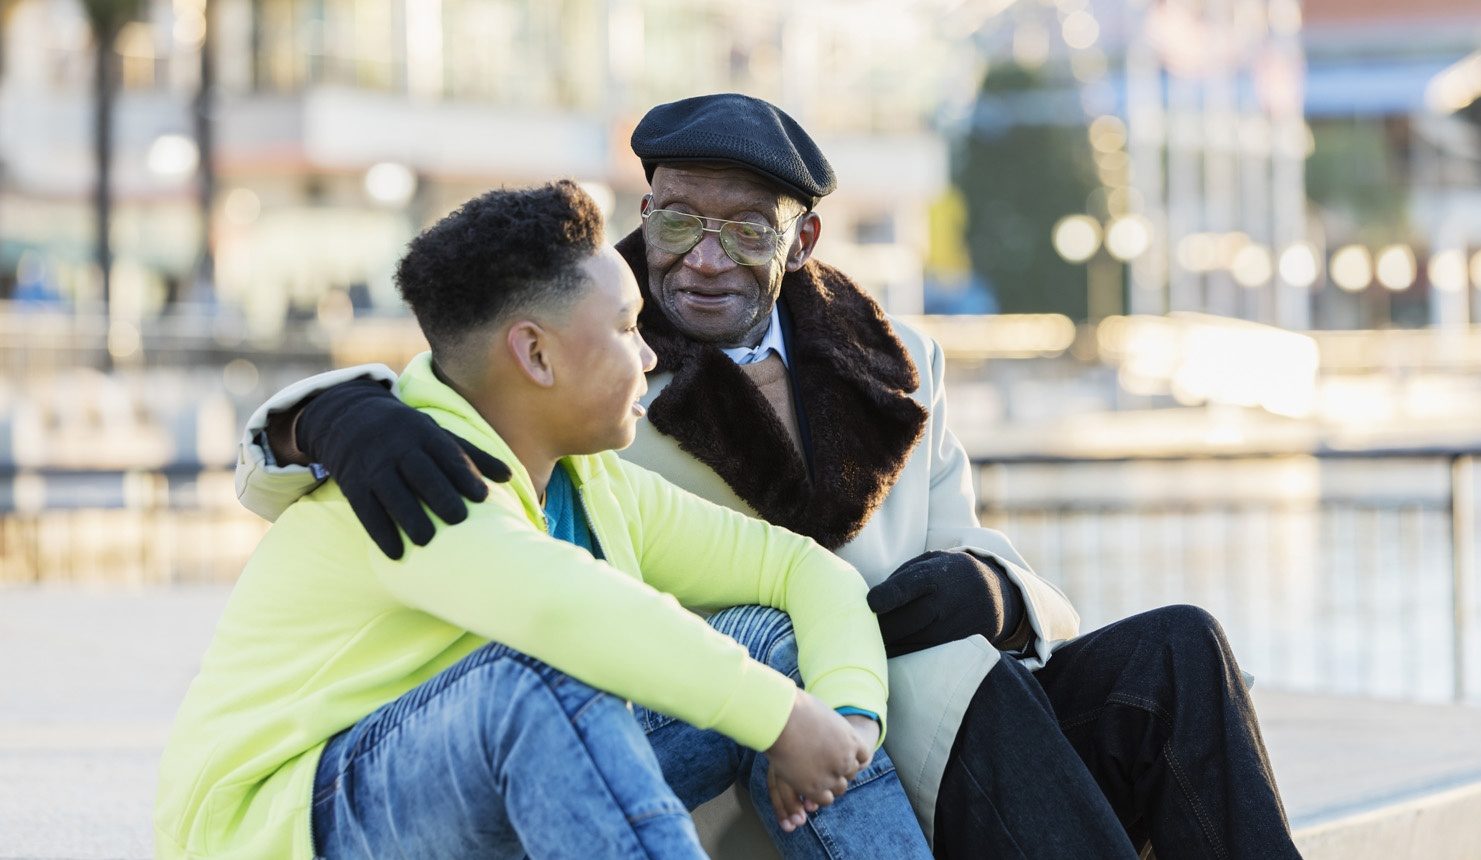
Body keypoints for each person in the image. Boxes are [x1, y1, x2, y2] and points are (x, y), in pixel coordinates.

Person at [237, 95, 1301, 858]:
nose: (700, 257)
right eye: (676, 219)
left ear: (803, 239)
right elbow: (455, 367)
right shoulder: (591, 362)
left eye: (742, 227)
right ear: (643, 211)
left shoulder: (900, 361)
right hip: (779, 756)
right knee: (937, 675)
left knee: (1177, 646)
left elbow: (1003, 570)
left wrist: (991, 588)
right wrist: (324, 412)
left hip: (932, 711)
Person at [156, 180, 933, 859]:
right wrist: (782, 718)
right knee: (541, 676)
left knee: (768, 640)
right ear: (535, 354)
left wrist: (845, 721)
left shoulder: (593, 481)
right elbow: (563, 611)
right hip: (293, 826)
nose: (651, 356)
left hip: (481, 786)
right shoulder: (411, 476)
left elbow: (803, 569)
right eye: (627, 328)